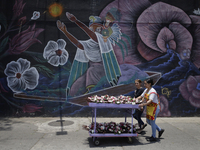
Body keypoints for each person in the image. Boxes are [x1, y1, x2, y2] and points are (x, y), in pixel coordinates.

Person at [57, 12, 121, 96]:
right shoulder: (89, 43)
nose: (96, 31)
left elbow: (91, 35)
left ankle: (92, 95)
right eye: (94, 28)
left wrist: (76, 21)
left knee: (91, 72)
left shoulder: (103, 40)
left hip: (103, 69)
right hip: (92, 70)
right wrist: (65, 31)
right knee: (76, 85)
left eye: (98, 28)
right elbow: (78, 44)